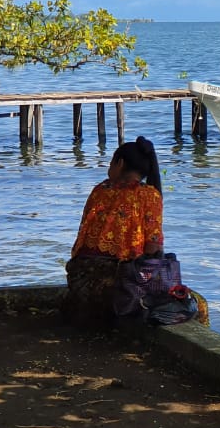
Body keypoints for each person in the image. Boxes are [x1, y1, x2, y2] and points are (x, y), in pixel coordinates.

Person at [63, 137, 164, 328]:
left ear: (120, 163)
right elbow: (153, 248)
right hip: (118, 285)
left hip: (79, 278)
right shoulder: (150, 195)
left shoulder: (100, 190)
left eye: (110, 162)